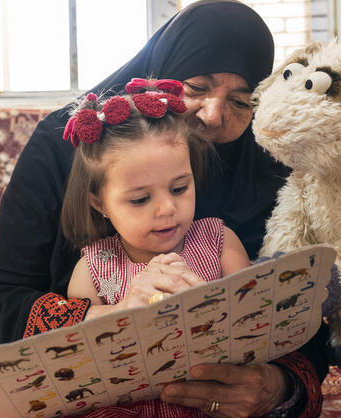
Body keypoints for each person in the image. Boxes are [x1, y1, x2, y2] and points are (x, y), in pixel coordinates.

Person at [0, 1, 332, 418]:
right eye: (195, 87)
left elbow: (301, 309)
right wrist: (106, 319)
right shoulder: (70, 148)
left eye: (241, 100)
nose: (214, 115)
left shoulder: (270, 165)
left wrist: (273, 387)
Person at [62, 82, 251, 311]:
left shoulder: (219, 242)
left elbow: (252, 311)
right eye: (140, 199)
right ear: (100, 203)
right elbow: (85, 338)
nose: (167, 208)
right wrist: (123, 309)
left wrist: (207, 303)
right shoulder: (92, 271)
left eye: (179, 188)